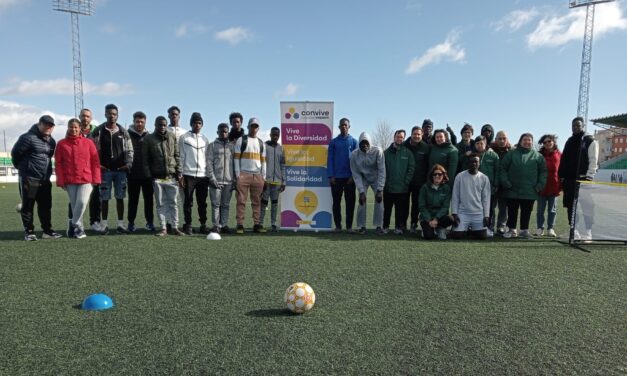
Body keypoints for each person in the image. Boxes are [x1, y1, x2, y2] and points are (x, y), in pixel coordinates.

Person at [11, 115, 61, 241]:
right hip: (29, 178)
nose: (48, 127)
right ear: (39, 124)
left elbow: (48, 158)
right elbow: (15, 155)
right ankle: (29, 232)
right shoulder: (27, 138)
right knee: (28, 206)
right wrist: (24, 170)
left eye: (51, 125)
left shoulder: (52, 141)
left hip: (45, 179)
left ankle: (47, 231)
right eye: (45, 124)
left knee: (45, 206)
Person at [54, 118, 101, 239]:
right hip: (70, 180)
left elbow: (95, 162)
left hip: (86, 178)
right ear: (68, 128)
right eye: (71, 127)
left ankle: (73, 224)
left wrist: (96, 179)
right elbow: (58, 163)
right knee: (75, 206)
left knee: (82, 202)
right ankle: (79, 229)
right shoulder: (61, 144)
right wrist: (61, 180)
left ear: (80, 128)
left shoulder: (88, 143)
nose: (73, 129)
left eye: (76, 127)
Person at [91, 104, 134, 235]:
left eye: (114, 114)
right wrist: (97, 165)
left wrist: (129, 163)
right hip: (105, 171)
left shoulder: (123, 131)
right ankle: (104, 225)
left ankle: (121, 225)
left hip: (121, 171)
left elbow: (130, 149)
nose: (112, 116)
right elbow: (92, 150)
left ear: (117, 115)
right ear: (105, 114)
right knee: (104, 198)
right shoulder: (98, 131)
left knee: (120, 197)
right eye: (109, 113)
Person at [143, 116, 184, 236]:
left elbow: (177, 155)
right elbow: (145, 160)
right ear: (155, 125)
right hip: (157, 178)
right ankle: (163, 228)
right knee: (160, 204)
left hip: (171, 177)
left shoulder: (172, 136)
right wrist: (149, 175)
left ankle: (175, 227)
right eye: (159, 125)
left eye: (164, 125)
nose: (162, 127)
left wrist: (179, 173)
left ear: (166, 125)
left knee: (173, 203)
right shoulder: (149, 139)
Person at [500, 133, 547, 239]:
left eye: (529, 140)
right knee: (512, 211)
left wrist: (539, 185)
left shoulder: (538, 156)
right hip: (512, 189)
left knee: (526, 211)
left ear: (532, 142)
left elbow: (543, 172)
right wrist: (505, 182)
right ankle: (511, 230)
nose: (527, 142)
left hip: (530, 190)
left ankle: (524, 231)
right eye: (524, 140)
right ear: (520, 141)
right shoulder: (511, 154)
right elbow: (502, 168)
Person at [558, 117, 599, 240]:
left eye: (578, 125)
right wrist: (562, 176)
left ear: (583, 126)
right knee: (571, 206)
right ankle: (574, 231)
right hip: (570, 181)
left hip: (584, 180)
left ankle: (588, 232)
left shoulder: (590, 140)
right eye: (573, 125)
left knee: (587, 206)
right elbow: (564, 160)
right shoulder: (569, 141)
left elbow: (593, 160)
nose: (575, 127)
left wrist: (589, 177)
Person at [234, 118, 267, 234]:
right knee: (241, 201)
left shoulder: (261, 143)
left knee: (257, 202)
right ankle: (240, 225)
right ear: (248, 127)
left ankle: (257, 224)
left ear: (258, 128)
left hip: (257, 176)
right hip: (243, 174)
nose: (254, 128)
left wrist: (263, 176)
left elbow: (263, 161)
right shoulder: (241, 140)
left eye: (256, 126)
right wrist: (238, 174)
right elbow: (236, 159)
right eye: (252, 126)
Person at [179, 112, 210, 235]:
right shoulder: (184, 138)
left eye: (199, 123)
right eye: (195, 123)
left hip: (203, 176)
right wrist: (180, 174)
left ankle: (203, 225)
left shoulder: (205, 139)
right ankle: (188, 225)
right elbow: (181, 156)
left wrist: (207, 174)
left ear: (202, 125)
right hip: (188, 174)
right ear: (191, 124)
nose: (197, 125)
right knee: (188, 202)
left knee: (202, 202)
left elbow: (207, 158)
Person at [350, 132, 386, 235]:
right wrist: (361, 191)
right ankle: (361, 226)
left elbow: (382, 170)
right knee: (362, 201)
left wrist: (380, 189)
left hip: (376, 178)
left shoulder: (378, 151)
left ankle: (379, 226)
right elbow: (355, 174)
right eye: (362, 143)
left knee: (379, 201)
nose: (364, 145)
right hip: (363, 178)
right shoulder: (354, 155)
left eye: (367, 143)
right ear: (359, 144)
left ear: (370, 143)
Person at [327, 117, 358, 232]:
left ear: (349, 127)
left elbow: (357, 162)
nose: (344, 127)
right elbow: (329, 159)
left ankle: (349, 227)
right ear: (339, 127)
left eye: (346, 125)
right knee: (336, 203)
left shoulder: (354, 142)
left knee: (350, 204)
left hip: (350, 179)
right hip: (336, 179)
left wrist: (352, 176)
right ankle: (338, 226)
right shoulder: (333, 142)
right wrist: (331, 175)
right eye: (342, 125)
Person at [450, 155, 491, 240]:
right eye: (472, 161)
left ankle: (469, 230)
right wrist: (454, 213)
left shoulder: (484, 178)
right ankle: (464, 229)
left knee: (482, 236)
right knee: (457, 236)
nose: (474, 163)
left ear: (479, 163)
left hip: (478, 213)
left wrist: (486, 216)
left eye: (476, 161)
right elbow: (455, 196)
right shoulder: (460, 176)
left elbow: (486, 198)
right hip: (463, 212)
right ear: (468, 163)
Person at [127, 111, 155, 232]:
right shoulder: (127, 134)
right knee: (133, 201)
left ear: (145, 122)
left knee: (149, 201)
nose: (139, 124)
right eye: (137, 121)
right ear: (133, 122)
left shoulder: (149, 136)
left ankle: (149, 223)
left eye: (142, 122)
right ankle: (131, 223)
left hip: (147, 175)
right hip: (132, 174)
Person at [383, 129, 415, 234]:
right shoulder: (386, 153)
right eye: (398, 136)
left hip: (402, 188)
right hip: (388, 187)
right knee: (387, 209)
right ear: (394, 137)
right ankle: (385, 227)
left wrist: (406, 182)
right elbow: (382, 169)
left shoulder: (408, 153)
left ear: (404, 138)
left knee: (400, 210)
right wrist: (385, 182)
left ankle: (398, 228)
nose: (399, 139)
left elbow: (411, 168)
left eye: (402, 137)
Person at [206, 123, 235, 234]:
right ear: (217, 132)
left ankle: (224, 224)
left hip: (229, 180)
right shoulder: (212, 145)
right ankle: (216, 225)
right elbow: (209, 163)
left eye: (225, 131)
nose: (223, 133)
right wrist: (212, 178)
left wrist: (234, 180)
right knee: (215, 204)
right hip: (216, 180)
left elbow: (234, 164)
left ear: (228, 132)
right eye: (221, 131)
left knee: (226, 205)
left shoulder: (232, 146)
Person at [78, 108, 103, 232]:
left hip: (94, 170)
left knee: (95, 198)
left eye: (87, 116)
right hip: (78, 171)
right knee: (78, 199)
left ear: (91, 118)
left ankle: (95, 222)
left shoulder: (97, 131)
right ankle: (77, 222)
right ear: (79, 117)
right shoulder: (74, 130)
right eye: (83, 116)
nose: (85, 118)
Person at [470, 136, 500, 237]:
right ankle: (474, 227)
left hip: (490, 186)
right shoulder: (472, 155)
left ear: (485, 143)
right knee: (476, 207)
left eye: (481, 143)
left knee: (490, 208)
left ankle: (490, 228)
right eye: (477, 144)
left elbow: (497, 170)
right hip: (475, 187)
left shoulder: (493, 155)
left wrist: (496, 184)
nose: (479, 145)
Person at [403, 126, 430, 233]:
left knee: (416, 204)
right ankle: (402, 224)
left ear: (422, 135)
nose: (417, 136)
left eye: (419, 134)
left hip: (419, 181)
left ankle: (414, 224)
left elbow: (428, 164)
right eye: (415, 134)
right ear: (411, 134)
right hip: (405, 181)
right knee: (403, 204)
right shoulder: (404, 145)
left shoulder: (426, 147)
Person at [260, 127, 286, 232]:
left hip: (277, 182)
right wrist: (263, 179)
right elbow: (261, 164)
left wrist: (284, 181)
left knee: (274, 203)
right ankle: (260, 223)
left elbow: (283, 165)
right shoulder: (264, 146)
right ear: (270, 135)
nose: (275, 137)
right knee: (263, 203)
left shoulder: (281, 149)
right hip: (266, 181)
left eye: (277, 135)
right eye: (273, 135)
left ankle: (273, 223)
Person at [418, 164, 454, 240]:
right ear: (432, 176)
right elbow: (422, 206)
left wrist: (436, 219)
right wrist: (429, 220)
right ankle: (427, 229)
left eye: (440, 174)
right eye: (435, 174)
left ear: (443, 175)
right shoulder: (425, 187)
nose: (437, 176)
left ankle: (440, 229)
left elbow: (445, 207)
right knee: (429, 236)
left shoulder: (446, 188)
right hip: (427, 217)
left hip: (440, 217)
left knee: (451, 219)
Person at [536, 134, 562, 237]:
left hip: (554, 186)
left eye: (549, 141)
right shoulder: (539, 155)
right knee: (540, 210)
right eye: (545, 142)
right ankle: (540, 228)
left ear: (554, 142)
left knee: (552, 210)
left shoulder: (560, 154)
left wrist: (561, 184)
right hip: (542, 187)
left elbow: (562, 170)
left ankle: (550, 228)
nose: (547, 144)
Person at [490, 130, 512, 234]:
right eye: (500, 138)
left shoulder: (511, 151)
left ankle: (501, 226)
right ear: (495, 140)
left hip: (505, 184)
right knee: (491, 206)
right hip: (493, 183)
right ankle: (490, 225)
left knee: (504, 207)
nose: (502, 140)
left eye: (504, 138)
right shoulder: (490, 150)